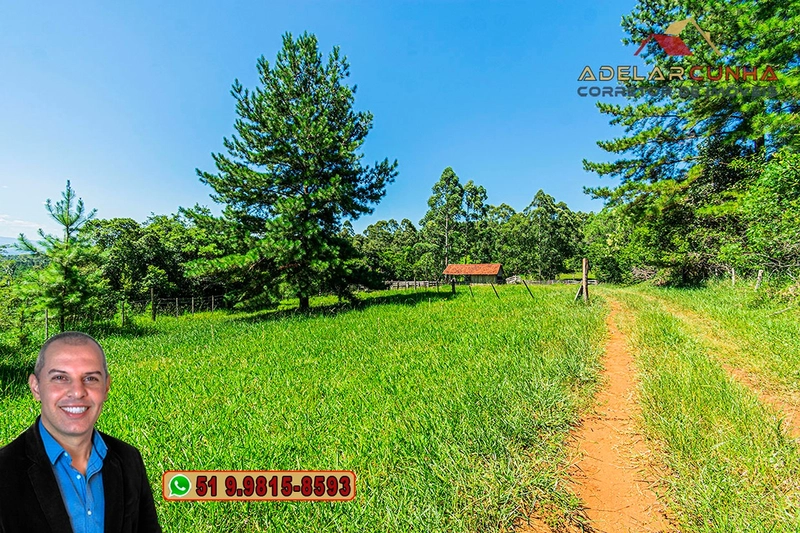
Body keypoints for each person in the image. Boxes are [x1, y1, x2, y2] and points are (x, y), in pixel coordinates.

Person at [0, 331, 162, 533]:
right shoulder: (4, 471)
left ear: (106, 387)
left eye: (91, 378)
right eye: (60, 377)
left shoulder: (129, 459)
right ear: (36, 387)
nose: (77, 392)